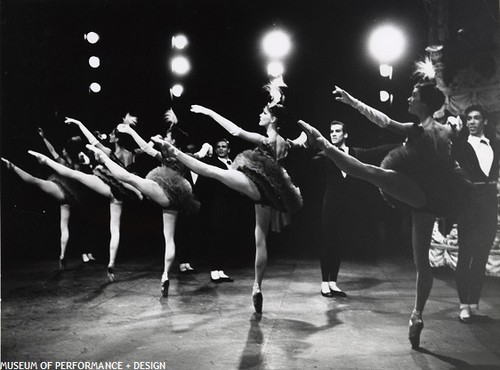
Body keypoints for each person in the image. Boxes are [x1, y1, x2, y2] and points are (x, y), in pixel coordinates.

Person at [298, 81, 472, 349]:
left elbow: (383, 120)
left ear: (423, 103)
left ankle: (322, 143)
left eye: (413, 96)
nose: (408, 98)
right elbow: (452, 146)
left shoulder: (418, 130)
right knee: (421, 261)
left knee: (370, 173)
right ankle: (416, 315)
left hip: (420, 191)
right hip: (440, 195)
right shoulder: (446, 128)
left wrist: (352, 101)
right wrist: (457, 128)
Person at [151, 80, 303, 313]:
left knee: (215, 172)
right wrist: (304, 137)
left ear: (272, 119)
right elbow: (298, 142)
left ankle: (176, 153)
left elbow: (234, 131)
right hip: (272, 193)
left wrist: (208, 112)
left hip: (257, 184)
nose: (259, 115)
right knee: (260, 239)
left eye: (263, 113)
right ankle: (256, 285)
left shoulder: (266, 139)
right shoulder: (285, 142)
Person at [310, 121, 391, 298]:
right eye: (331, 131)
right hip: (330, 205)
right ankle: (324, 283)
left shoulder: (355, 153)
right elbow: (311, 159)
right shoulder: (327, 154)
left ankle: (333, 283)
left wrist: (404, 144)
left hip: (346, 207)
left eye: (337, 131)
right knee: (328, 242)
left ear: (345, 134)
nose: (333, 134)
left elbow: (377, 150)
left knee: (339, 242)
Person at [2, 131, 96, 268]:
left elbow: (52, 151)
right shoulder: (79, 165)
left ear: (66, 152)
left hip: (64, 193)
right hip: (77, 197)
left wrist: (44, 137)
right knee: (83, 226)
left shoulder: (63, 163)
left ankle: (63, 255)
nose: (62, 151)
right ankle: (85, 253)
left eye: (63, 149)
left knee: (64, 226)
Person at [65, 115, 140, 282]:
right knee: (115, 230)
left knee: (76, 175)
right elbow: (146, 147)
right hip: (125, 193)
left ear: (117, 138)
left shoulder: (109, 152)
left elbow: (91, 140)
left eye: (112, 134)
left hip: (111, 187)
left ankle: (108, 260)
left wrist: (79, 122)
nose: (110, 136)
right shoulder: (132, 154)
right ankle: (112, 261)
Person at [452, 105, 499, 323]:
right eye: (468, 118)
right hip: (468, 208)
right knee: (465, 256)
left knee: (481, 257)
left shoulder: (496, 146)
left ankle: (474, 303)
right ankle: (463, 305)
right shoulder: (459, 147)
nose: (472, 122)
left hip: (489, 208)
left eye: (476, 118)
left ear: (485, 122)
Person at [197, 138, 245, 283]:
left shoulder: (234, 164)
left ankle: (221, 269)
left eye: (224, 147)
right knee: (216, 235)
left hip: (233, 203)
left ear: (229, 149)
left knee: (227, 235)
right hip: (218, 203)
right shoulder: (212, 163)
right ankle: (214, 270)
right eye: (218, 147)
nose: (221, 149)